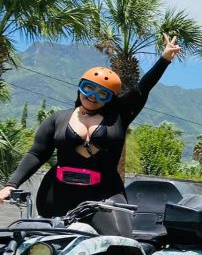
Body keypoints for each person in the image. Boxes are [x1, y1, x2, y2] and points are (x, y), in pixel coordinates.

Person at [0, 35, 182, 217]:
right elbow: (37, 154)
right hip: (56, 195)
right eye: (89, 88)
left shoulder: (118, 116)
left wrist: (164, 59)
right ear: (80, 87)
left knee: (119, 241)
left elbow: (142, 89)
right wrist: (10, 185)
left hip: (106, 194)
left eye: (102, 93)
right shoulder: (57, 119)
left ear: (110, 98)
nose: (93, 96)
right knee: (49, 242)